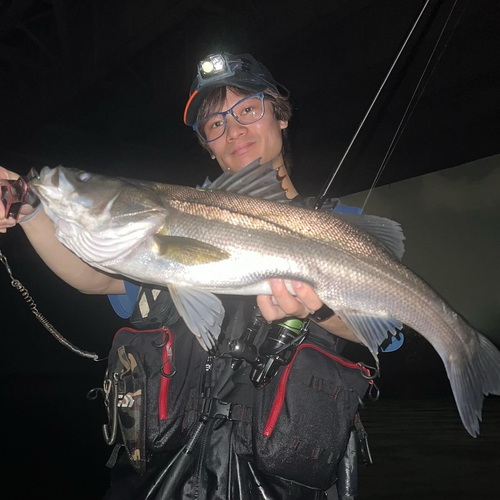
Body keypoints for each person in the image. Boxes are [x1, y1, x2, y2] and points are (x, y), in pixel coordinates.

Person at [0, 52, 370, 499]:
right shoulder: (168, 223)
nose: (233, 130)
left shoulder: (342, 228)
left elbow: (380, 333)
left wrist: (321, 308)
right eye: (214, 125)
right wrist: (28, 209)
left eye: (248, 110)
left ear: (281, 114)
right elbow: (92, 279)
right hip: (166, 480)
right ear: (206, 143)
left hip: (279, 485)